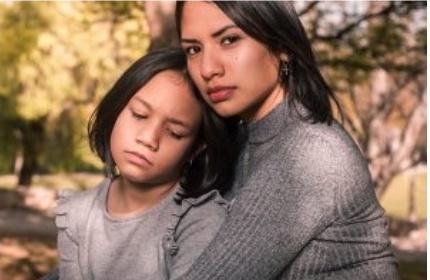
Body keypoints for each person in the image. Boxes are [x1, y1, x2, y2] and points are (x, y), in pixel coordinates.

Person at [175, 1, 399, 279]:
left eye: (229, 40)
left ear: (281, 46)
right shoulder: (241, 143)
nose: (207, 69)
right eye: (193, 49)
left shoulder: (311, 155)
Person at [54, 48, 233, 280]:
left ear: (197, 148)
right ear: (117, 109)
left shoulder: (200, 220)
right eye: (139, 115)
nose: (148, 139)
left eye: (174, 132)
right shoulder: (76, 212)